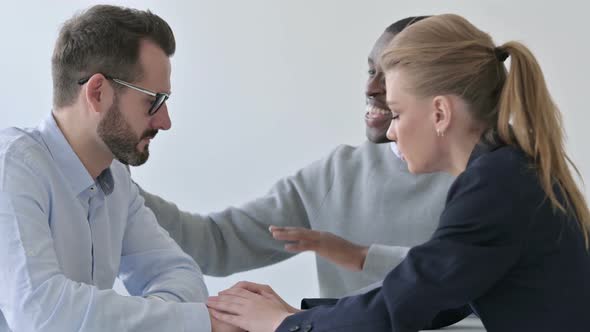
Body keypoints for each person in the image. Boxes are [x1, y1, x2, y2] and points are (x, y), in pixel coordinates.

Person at [206, 13, 590, 332]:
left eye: (399, 113)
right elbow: (438, 298)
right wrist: (301, 318)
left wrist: (282, 326)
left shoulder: (495, 186)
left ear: (440, 113)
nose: (390, 131)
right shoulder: (506, 171)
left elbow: (400, 306)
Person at [138, 16, 455, 299]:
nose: (371, 87)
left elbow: (457, 278)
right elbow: (217, 244)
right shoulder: (338, 174)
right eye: (372, 70)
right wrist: (119, 184)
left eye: (389, 76)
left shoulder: (490, 175)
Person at [0, 5, 231, 331]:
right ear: (97, 93)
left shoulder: (116, 178)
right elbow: (44, 316)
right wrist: (185, 321)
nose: (165, 122)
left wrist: (158, 316)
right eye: (154, 101)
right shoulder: (11, 169)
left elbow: (182, 275)